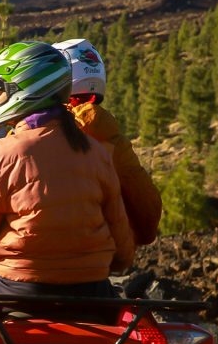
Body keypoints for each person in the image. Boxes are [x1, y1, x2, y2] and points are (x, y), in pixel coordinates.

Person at [0, 41, 134, 297]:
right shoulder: (96, 151)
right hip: (92, 294)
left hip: (19, 291)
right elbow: (123, 247)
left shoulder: (2, 153)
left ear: (23, 88)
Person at [53, 38, 162, 246]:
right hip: (100, 263)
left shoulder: (33, 133)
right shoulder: (112, 139)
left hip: (32, 266)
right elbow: (147, 217)